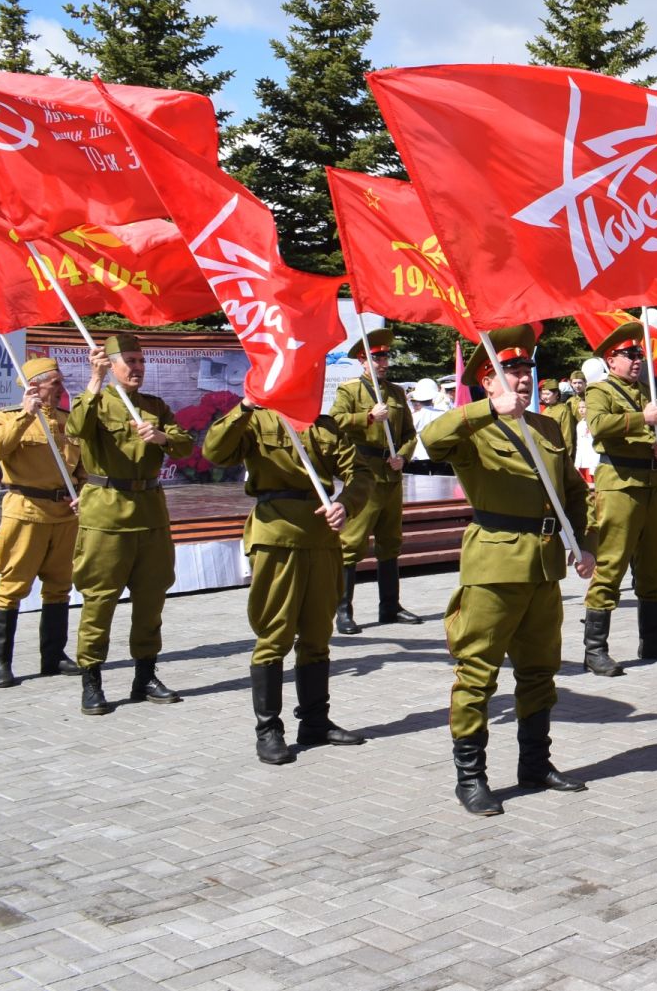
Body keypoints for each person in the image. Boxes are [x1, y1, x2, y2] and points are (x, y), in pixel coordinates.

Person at [423, 327, 595, 815]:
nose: (521, 379)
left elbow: (574, 494)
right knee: (478, 671)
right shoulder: (474, 428)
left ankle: (535, 764)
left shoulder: (547, 427)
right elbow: (430, 439)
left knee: (540, 671)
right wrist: (484, 410)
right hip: (495, 564)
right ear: (487, 381)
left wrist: (585, 543)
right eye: (509, 372)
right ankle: (471, 776)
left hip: (544, 566)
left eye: (525, 371)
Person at [201, 394, 372, 765]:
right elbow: (215, 451)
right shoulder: (257, 421)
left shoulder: (325, 425)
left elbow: (360, 473)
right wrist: (244, 407)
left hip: (322, 536)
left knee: (316, 635)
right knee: (274, 634)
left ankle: (314, 721)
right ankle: (268, 729)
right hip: (276, 533)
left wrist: (347, 503)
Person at [68, 333, 195, 716]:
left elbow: (186, 443)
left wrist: (162, 436)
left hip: (150, 512)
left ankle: (145, 675)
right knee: (100, 599)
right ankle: (92, 679)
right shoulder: (95, 401)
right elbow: (76, 429)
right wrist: (94, 380)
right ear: (110, 365)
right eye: (129, 361)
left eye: (140, 361)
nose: (137, 368)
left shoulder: (154, 406)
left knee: (151, 598)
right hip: (106, 512)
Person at [581, 321, 657, 675]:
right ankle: (595, 649)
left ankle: (652, 640)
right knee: (611, 563)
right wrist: (641, 418)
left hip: (653, 484)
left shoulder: (648, 390)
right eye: (630, 354)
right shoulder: (600, 391)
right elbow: (598, 424)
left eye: (639, 353)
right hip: (620, 483)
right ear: (612, 360)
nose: (638, 359)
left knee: (655, 562)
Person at [0, 357, 84, 687]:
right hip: (25, 512)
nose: (61, 388)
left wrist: (84, 491)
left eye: (61, 381)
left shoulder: (69, 422)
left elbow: (80, 467)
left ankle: (53, 656)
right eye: (55, 382)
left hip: (64, 514)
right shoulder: (6, 417)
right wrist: (26, 415)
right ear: (34, 387)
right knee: (12, 589)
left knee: (59, 588)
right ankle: (1, 662)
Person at [332, 329, 422, 634]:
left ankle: (390, 607)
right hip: (365, 473)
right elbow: (336, 422)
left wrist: (404, 457)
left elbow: (410, 433)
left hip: (391, 473)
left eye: (385, 357)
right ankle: (343, 610)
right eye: (376, 357)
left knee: (390, 541)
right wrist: (368, 416)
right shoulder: (350, 391)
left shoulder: (396, 393)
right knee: (352, 543)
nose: (382, 362)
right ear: (363, 361)